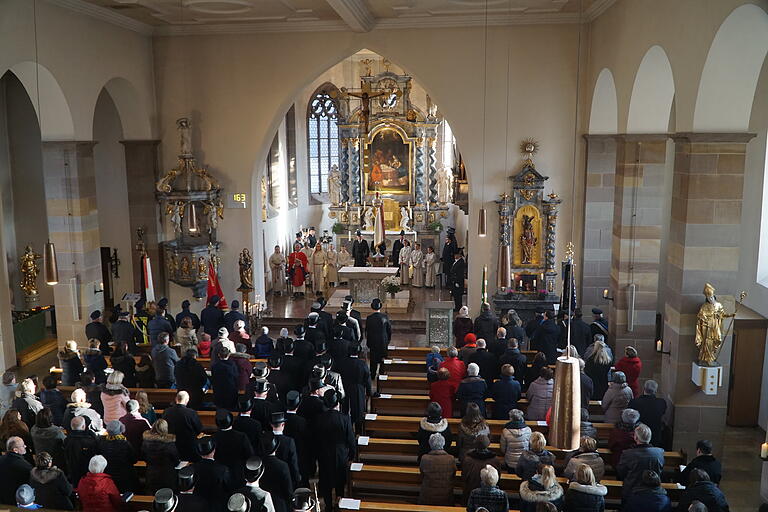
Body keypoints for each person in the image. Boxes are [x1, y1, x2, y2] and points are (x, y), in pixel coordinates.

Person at [315, 390, 355, 510]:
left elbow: (315, 439)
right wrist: (351, 455)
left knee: (326, 482)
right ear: (338, 403)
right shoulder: (345, 419)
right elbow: (351, 440)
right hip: (340, 455)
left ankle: (328, 505)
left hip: (324, 455)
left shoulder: (319, 419)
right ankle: (339, 503)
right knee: (339, 482)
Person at [616, 423, 665, 499]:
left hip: (632, 491)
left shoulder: (628, 454)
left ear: (635, 438)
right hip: (654, 490)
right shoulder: (659, 453)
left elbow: (621, 472)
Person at [213, 410, 254, 488]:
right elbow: (250, 455)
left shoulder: (213, 438)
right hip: (238, 472)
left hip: (220, 475)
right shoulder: (241, 437)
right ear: (232, 421)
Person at [336, 343, 371, 432]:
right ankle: (358, 431)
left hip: (344, 387)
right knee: (358, 410)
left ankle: (346, 429)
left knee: (344, 409)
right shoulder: (362, 364)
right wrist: (369, 392)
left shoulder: (341, 362)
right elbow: (367, 378)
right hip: (357, 388)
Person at [192, 437, 232, 511]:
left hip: (198, 506)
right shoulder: (222, 469)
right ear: (214, 450)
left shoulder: (192, 468)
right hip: (217, 507)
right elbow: (228, 488)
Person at [416, 432, 456, 505]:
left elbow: (422, 475)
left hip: (427, 496)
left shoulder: (424, 458)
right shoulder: (451, 459)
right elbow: (453, 475)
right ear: (443, 443)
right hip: (446, 496)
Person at [98, 420, 138, 493]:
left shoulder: (102, 442)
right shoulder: (125, 444)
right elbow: (134, 460)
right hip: (125, 475)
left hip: (109, 474)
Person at [163, 391, 204, 462]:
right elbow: (199, 429)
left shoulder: (167, 412)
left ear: (176, 399)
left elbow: (164, 427)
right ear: (187, 400)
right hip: (189, 447)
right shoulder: (191, 413)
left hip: (172, 446)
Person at [143, 418, 180, 493]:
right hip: (167, 475)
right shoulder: (169, 444)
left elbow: (144, 456)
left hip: (151, 474)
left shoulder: (145, 442)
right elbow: (176, 460)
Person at [462, 435, 502, 503]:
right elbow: (498, 477)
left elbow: (464, 476)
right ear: (488, 444)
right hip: (490, 494)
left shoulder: (468, 460)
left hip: (471, 491)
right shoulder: (495, 460)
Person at [629, 379, 668, 447]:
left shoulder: (634, 402)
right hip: (655, 436)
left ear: (644, 389)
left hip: (638, 436)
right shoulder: (661, 403)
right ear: (655, 391)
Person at [260, 434, 293, 512]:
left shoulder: (259, 464)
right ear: (276, 449)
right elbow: (288, 489)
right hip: (280, 503)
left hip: (263, 503)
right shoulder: (283, 466)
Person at [0, 436, 32, 505]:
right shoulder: (25, 467)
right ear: (15, 450)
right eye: (23, 446)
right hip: (16, 501)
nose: (25, 446)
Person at [366, 298, 391, 379]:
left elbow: (367, 331)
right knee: (383, 359)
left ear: (371, 307)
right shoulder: (385, 317)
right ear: (380, 307)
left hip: (373, 342)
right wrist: (387, 341)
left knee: (373, 361)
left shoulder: (369, 318)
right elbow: (389, 330)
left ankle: (372, 375)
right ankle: (381, 375)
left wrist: (368, 342)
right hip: (383, 342)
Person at [211, 345, 240, 410]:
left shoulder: (215, 366)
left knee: (220, 408)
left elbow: (213, 378)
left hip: (219, 390)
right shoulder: (232, 365)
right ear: (228, 355)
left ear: (219, 355)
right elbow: (236, 376)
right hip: (230, 390)